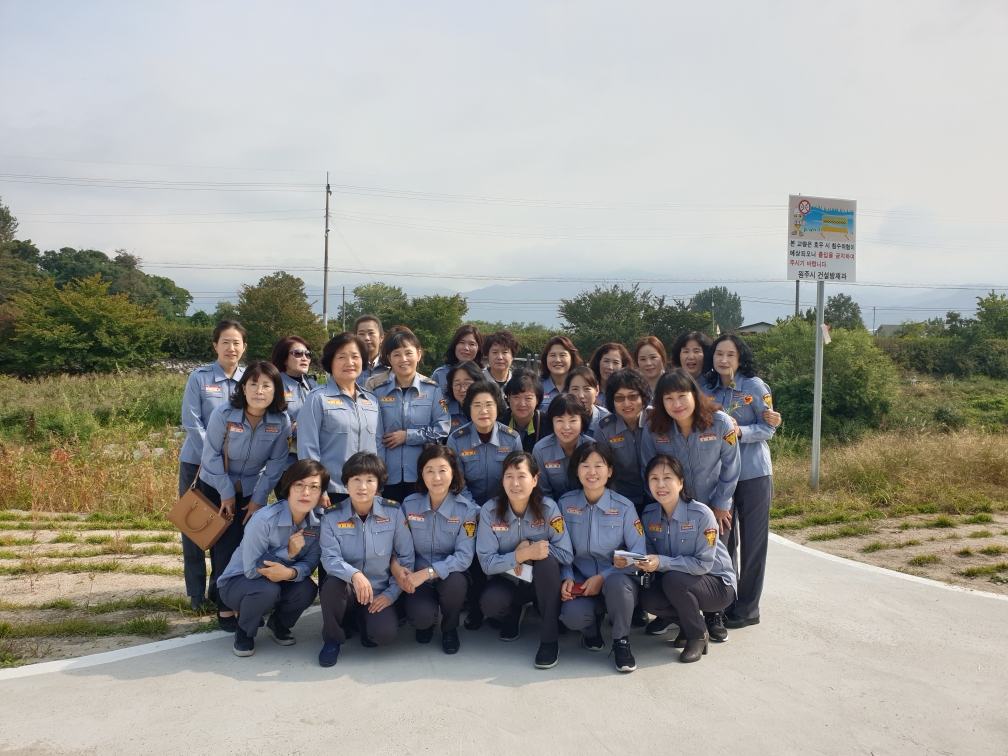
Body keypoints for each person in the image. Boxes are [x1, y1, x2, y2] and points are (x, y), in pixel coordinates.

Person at [638, 368, 741, 642]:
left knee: (714, 561)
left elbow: (732, 465)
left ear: (694, 394)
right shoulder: (653, 429)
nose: (676, 404)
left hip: (714, 506)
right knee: (673, 559)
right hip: (674, 509)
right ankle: (676, 613)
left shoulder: (720, 422)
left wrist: (721, 503)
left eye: (682, 395)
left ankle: (715, 615)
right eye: (668, 398)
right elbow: (648, 469)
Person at [199, 360, 292, 632]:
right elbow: (210, 456)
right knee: (225, 546)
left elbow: (275, 465)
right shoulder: (224, 414)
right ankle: (225, 608)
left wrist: (258, 499)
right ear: (243, 387)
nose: (259, 391)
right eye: (253, 384)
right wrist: (226, 493)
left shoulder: (281, 422)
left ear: (276, 391)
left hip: (252, 492)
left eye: (266, 385)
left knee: (249, 547)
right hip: (216, 487)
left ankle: (243, 600)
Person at [701, 334, 775, 630]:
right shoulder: (705, 389)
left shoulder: (754, 386)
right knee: (725, 541)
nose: (724, 360)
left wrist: (739, 430)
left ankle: (748, 608)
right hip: (721, 477)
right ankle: (725, 601)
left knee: (754, 542)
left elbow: (768, 428)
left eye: (730, 354)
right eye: (719, 354)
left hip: (754, 474)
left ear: (740, 358)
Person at [633, 454, 737, 662]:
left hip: (717, 584)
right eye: (654, 479)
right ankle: (689, 624)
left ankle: (696, 636)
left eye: (667, 478)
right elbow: (650, 553)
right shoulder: (649, 515)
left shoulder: (701, 514)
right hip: (679, 582)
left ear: (680, 482)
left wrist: (661, 562)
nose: (660, 485)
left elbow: (703, 564)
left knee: (673, 579)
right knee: (649, 597)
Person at [217, 459, 326, 657]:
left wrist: (290, 573)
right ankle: (245, 630)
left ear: (321, 493)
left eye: (314, 487)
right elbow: (251, 571)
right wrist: (288, 554)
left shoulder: (318, 524)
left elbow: (311, 562)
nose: (306, 493)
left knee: (307, 589)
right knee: (267, 589)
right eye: (299, 485)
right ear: (288, 487)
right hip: (239, 583)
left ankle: (278, 624)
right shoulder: (263, 519)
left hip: (280, 579)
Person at [475, 451, 573, 669]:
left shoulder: (548, 508)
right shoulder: (490, 510)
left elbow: (566, 554)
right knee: (491, 603)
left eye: (522, 476)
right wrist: (520, 555)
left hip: (541, 584)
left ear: (535, 479)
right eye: (509, 476)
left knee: (547, 562)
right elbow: (487, 563)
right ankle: (513, 614)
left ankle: (549, 640)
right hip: (508, 582)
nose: (515, 483)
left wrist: (531, 545)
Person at [318, 452, 414, 666]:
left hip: (379, 592)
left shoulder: (393, 512)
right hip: (348, 589)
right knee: (332, 584)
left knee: (383, 635)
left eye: (370, 480)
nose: (362, 486)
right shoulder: (332, 516)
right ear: (346, 483)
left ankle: (362, 621)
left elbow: (405, 558)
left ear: (379, 484)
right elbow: (330, 558)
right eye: (356, 479)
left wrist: (390, 595)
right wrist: (354, 574)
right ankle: (332, 639)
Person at [178, 319, 247, 611]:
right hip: (196, 464)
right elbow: (192, 421)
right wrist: (213, 456)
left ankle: (220, 591)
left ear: (244, 347)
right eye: (225, 342)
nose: (231, 348)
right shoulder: (199, 377)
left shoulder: (249, 380)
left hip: (236, 469)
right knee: (195, 526)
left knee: (227, 532)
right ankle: (195, 593)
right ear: (215, 346)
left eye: (236, 343)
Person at [558, 442, 646, 673]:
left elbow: (639, 554)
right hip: (580, 577)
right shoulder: (565, 504)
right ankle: (591, 631)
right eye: (585, 465)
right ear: (576, 470)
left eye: (599, 465)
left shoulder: (625, 507)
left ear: (609, 471)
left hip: (617, 579)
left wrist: (603, 577)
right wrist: (566, 576)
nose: (592, 472)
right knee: (572, 617)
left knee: (617, 585)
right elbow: (560, 547)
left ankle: (621, 641)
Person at [446, 379, 523, 629]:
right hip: (469, 509)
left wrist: (497, 510)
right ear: (468, 408)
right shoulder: (457, 439)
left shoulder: (512, 438)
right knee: (473, 556)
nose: (483, 411)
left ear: (498, 407)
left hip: (504, 508)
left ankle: (503, 607)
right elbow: (457, 482)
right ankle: (476, 608)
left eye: (489, 404)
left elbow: (516, 479)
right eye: (477, 405)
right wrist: (478, 511)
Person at [392, 446, 479, 655]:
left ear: (453, 472)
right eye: (429, 470)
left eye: (442, 470)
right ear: (421, 474)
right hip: (416, 576)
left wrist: (428, 573)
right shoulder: (409, 505)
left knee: (456, 583)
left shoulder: (465, 509)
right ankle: (427, 623)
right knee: (421, 618)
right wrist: (396, 567)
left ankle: (450, 628)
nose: (436, 477)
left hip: (449, 575)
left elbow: (464, 557)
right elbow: (396, 545)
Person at [297, 333, 380, 503]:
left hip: (366, 490)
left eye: (355, 356)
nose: (349, 362)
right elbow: (307, 446)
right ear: (331, 362)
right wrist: (317, 488)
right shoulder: (317, 398)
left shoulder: (371, 400)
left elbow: (379, 445)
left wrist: (379, 485)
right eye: (342, 357)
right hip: (332, 490)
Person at [373, 328, 450, 504]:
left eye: (408, 353)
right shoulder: (378, 392)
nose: (403, 359)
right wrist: (377, 478)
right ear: (389, 358)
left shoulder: (432, 390)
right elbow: (375, 438)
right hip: (387, 476)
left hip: (422, 476)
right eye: (397, 354)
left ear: (418, 354)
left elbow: (442, 428)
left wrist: (408, 436)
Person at [594, 368, 651, 514]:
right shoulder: (604, 428)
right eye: (619, 398)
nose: (626, 403)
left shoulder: (656, 419)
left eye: (633, 396)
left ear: (643, 396)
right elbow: (605, 469)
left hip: (660, 495)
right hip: (623, 499)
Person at [270, 335, 318, 484]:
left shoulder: (313, 385)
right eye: (298, 353)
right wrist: (292, 427)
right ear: (284, 359)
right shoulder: (273, 385)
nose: (304, 358)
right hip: (286, 462)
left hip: (312, 459)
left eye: (308, 354)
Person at [531, 394, 594, 500]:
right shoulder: (541, 450)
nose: (566, 427)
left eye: (573, 420)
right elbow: (543, 494)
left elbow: (596, 489)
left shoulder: (592, 448)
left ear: (582, 422)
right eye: (560, 420)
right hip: (552, 507)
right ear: (552, 422)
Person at [430, 325, 484, 397]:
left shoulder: (485, 374)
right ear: (455, 345)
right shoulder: (440, 374)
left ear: (478, 348)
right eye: (461, 342)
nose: (466, 348)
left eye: (472, 344)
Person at [502, 368, 544, 452]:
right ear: (508, 398)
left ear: (537, 400)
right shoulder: (498, 422)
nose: (522, 404)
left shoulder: (548, 424)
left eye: (528, 398)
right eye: (516, 397)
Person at [538, 335, 583, 412]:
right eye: (552, 355)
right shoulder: (536, 385)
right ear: (546, 358)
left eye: (562, 355)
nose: (557, 360)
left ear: (572, 358)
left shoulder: (582, 385)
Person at [564, 366, 610, 433]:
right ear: (567, 391)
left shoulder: (607, 419)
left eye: (587, 389)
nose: (581, 396)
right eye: (575, 389)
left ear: (597, 390)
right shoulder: (560, 417)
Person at [445, 360, 484, 432]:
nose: (462, 389)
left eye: (468, 384)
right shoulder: (443, 410)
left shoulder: (490, 407)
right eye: (457, 384)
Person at [354, 315, 384, 388]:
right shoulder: (351, 367)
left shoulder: (390, 366)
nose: (366, 338)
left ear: (381, 338)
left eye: (371, 333)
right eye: (361, 334)